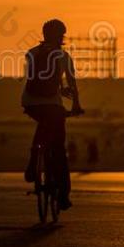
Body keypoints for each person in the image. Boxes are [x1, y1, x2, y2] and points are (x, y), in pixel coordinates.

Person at [22, 19, 83, 211]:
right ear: (61, 35)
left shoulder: (32, 53)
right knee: (58, 149)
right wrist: (76, 104)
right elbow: (72, 83)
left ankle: (34, 159)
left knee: (44, 123)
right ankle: (63, 196)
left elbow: (36, 79)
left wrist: (57, 89)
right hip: (53, 105)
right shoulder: (64, 56)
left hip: (31, 102)